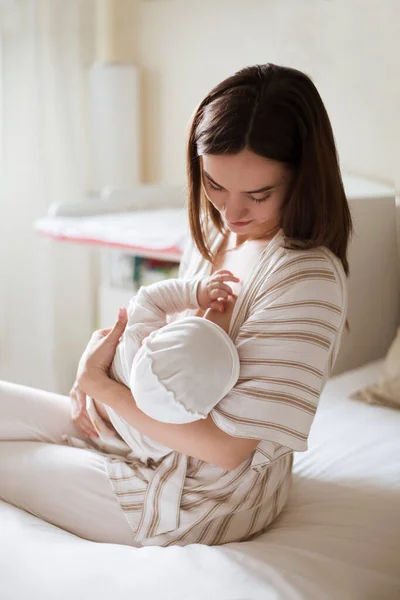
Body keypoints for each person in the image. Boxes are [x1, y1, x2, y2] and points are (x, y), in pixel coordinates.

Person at [0, 62, 352, 548]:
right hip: (139, 434)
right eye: (214, 185)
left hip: (193, 497)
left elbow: (228, 451)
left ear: (303, 178)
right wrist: (97, 357)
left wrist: (102, 388)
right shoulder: (214, 231)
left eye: (258, 194)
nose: (231, 213)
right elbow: (167, 335)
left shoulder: (306, 280)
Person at [84, 270, 241, 459]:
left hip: (102, 421)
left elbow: (150, 297)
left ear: (152, 338)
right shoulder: (161, 441)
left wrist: (195, 293)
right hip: (111, 429)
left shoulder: (139, 334)